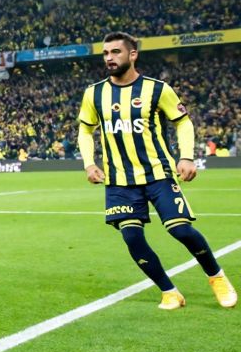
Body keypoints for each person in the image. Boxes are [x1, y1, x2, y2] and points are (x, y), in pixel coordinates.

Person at [77, 32, 236, 310]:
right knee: (132, 236)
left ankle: (217, 276)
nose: (109, 58)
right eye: (105, 53)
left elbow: (183, 122)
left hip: (158, 174)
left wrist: (187, 157)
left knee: (181, 230)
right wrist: (89, 163)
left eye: (115, 52)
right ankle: (169, 291)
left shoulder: (157, 89)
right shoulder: (94, 93)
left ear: (132, 54)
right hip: (119, 180)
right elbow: (85, 130)